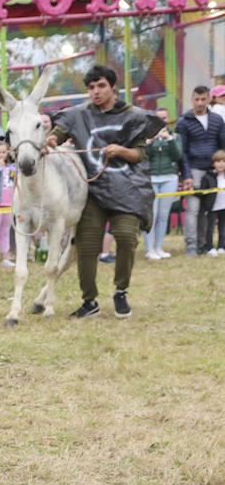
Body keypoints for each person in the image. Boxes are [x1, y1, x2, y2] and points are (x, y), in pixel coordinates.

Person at [49, 64, 163, 320]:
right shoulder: (79, 114)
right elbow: (58, 133)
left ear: (113, 87)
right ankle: (89, 301)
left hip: (129, 189)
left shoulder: (133, 116)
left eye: (101, 86)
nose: (96, 91)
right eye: (91, 87)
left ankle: (121, 291)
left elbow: (139, 154)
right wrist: (50, 141)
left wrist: (121, 151)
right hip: (94, 190)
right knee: (87, 246)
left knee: (125, 237)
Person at [174, 85, 225, 256]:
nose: (200, 103)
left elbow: (222, 146)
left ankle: (202, 245)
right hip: (193, 170)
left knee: (206, 209)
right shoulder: (183, 122)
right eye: (197, 99)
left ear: (209, 99)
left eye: (203, 99)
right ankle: (191, 247)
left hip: (213, 171)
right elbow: (182, 152)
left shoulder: (218, 120)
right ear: (192, 99)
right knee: (193, 209)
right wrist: (186, 174)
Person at [145, 108, 183, 260]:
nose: (162, 120)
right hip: (152, 178)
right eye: (158, 118)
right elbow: (144, 156)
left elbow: (178, 155)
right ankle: (149, 249)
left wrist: (169, 139)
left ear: (168, 119)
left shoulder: (175, 136)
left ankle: (158, 247)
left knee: (163, 215)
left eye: (164, 117)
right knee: (151, 215)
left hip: (169, 178)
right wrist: (150, 141)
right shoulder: (148, 136)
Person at [200, 149, 225, 255]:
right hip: (212, 207)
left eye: (223, 161)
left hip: (224, 207)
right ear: (213, 163)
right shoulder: (208, 176)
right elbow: (202, 192)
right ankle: (210, 247)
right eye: (218, 161)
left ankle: (221, 246)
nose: (221, 164)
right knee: (210, 228)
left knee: (223, 228)